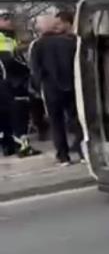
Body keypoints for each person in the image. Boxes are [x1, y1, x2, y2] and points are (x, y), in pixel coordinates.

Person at [30, 13, 82, 165]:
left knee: (56, 122)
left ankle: (63, 156)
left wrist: (37, 87)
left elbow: (35, 69)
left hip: (50, 89)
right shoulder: (69, 42)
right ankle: (82, 151)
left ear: (40, 28)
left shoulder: (37, 45)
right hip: (71, 86)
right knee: (76, 119)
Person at [0, 11, 39, 157]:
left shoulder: (9, 37)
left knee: (5, 119)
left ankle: (8, 146)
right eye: (5, 19)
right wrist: (27, 69)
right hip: (12, 84)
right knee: (18, 118)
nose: (9, 21)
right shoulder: (3, 38)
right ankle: (23, 147)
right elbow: (9, 61)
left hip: (7, 84)